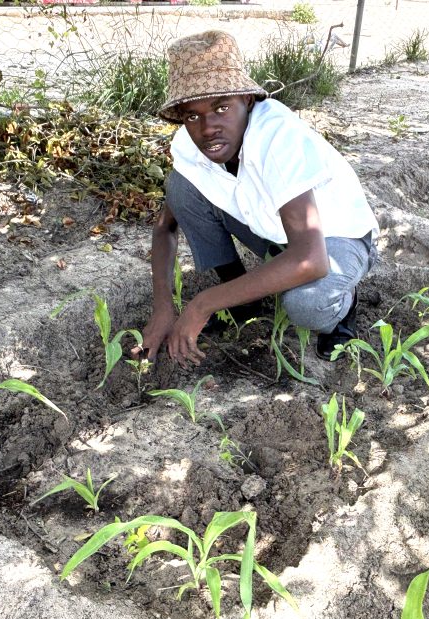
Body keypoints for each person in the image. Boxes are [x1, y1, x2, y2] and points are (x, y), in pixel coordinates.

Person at [135, 30, 378, 368]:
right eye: (192, 115)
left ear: (247, 100)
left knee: (307, 304)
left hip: (335, 240)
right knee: (181, 187)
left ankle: (343, 304)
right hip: (274, 232)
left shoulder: (277, 138)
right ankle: (241, 300)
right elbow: (165, 227)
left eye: (221, 107)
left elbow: (312, 260)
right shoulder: (189, 146)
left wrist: (201, 304)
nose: (208, 128)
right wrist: (163, 307)